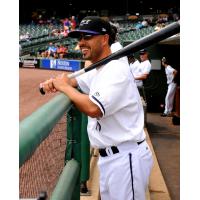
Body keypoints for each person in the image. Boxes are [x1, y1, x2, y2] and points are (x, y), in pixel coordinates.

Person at [40, 16, 153, 200]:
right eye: (79, 38)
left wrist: (65, 87)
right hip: (111, 158)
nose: (81, 43)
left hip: (126, 158)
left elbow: (93, 108)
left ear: (104, 38)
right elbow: (75, 80)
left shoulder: (115, 69)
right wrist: (55, 82)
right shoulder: (100, 68)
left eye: (87, 37)